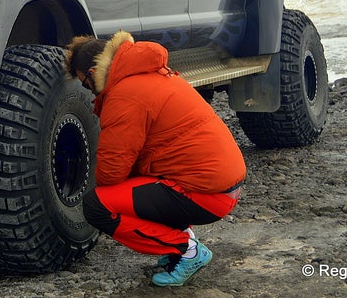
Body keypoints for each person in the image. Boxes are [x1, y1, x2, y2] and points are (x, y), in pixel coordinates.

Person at [65, 31, 246, 287]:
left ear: (93, 73)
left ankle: (187, 250)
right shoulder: (152, 75)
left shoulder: (125, 93)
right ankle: (180, 241)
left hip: (208, 194)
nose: (90, 92)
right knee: (138, 183)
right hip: (221, 185)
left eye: (85, 84)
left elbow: (112, 170)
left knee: (98, 205)